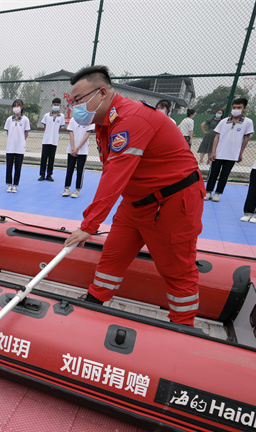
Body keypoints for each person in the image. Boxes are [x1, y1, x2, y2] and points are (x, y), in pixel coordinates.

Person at [63, 66, 205, 326]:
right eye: (72, 102)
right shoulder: (105, 123)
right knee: (113, 255)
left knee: (177, 269)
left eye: (78, 100)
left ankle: (184, 325)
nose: (74, 107)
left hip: (172, 201)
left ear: (102, 92)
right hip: (135, 202)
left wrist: (89, 225)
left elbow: (114, 176)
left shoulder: (131, 119)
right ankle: (95, 301)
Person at [205, 98, 254, 202]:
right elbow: (217, 137)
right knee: (213, 173)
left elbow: (246, 139)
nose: (236, 109)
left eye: (239, 107)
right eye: (234, 107)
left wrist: (240, 153)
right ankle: (208, 191)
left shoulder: (248, 122)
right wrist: (213, 151)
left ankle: (217, 193)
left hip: (232, 155)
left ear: (244, 108)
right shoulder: (223, 121)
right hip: (219, 153)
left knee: (224, 175)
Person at [62, 115, 95, 198]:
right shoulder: (73, 119)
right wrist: (73, 148)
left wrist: (78, 148)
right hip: (71, 150)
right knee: (70, 169)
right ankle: (66, 188)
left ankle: (77, 189)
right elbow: (71, 133)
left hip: (82, 151)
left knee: (80, 170)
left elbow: (87, 135)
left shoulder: (89, 120)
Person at [4, 99, 30, 193]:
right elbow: (8, 131)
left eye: (18, 105)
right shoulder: (9, 119)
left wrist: (21, 141)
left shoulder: (25, 119)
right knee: (9, 167)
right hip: (10, 147)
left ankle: (15, 185)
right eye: (14, 106)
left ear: (22, 107)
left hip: (20, 147)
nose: (16, 107)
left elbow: (26, 133)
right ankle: (9, 184)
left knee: (18, 167)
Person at [38, 97, 65, 182]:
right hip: (46, 140)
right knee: (44, 158)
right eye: (54, 105)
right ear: (51, 105)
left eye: (57, 105)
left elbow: (59, 127)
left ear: (60, 106)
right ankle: (42, 174)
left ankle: (49, 175)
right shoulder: (46, 115)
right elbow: (45, 127)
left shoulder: (62, 116)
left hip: (54, 141)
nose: (56, 106)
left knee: (51, 159)